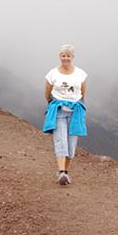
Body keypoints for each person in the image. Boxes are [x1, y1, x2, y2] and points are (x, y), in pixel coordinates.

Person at [43, 44, 88, 186]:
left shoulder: (81, 74)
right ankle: (62, 172)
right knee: (60, 140)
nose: (66, 58)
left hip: (75, 112)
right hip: (59, 111)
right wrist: (52, 103)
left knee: (71, 144)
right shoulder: (52, 74)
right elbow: (47, 91)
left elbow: (82, 92)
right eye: (63, 55)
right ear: (60, 57)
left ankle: (65, 172)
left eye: (68, 56)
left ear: (72, 57)